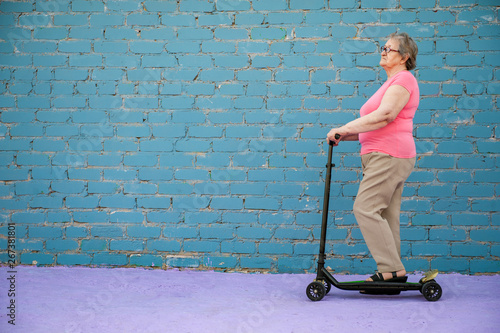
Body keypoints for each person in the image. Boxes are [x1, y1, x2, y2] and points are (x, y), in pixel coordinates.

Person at [326, 32, 419, 284]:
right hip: (386, 155)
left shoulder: (403, 79)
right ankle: (394, 274)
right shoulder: (391, 82)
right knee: (387, 215)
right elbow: (377, 125)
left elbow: (386, 115)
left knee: (365, 208)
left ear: (405, 57)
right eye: (383, 47)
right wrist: (345, 136)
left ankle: (390, 270)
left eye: (390, 49)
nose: (384, 51)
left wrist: (344, 128)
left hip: (389, 156)